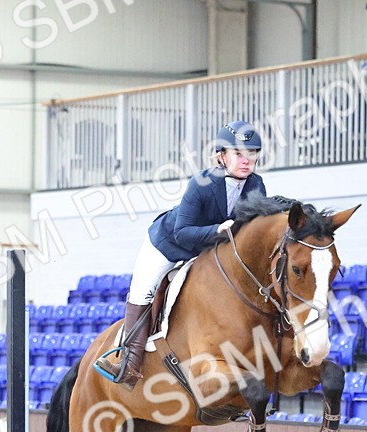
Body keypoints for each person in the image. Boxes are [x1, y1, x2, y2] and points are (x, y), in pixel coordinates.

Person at [93, 120, 268, 389]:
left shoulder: (256, 185)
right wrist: (218, 229)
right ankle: (128, 363)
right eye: (239, 154)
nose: (247, 161)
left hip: (207, 252)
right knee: (143, 291)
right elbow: (182, 232)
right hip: (168, 245)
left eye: (252, 154)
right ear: (221, 156)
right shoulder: (202, 183)